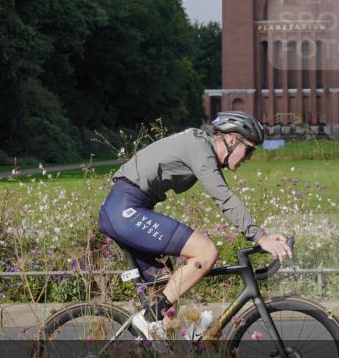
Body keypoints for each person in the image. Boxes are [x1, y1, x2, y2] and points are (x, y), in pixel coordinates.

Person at [97, 111, 292, 341]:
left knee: (168, 295)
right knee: (206, 252)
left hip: (127, 209)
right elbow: (223, 197)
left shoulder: (201, 147)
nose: (249, 157)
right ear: (231, 140)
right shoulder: (199, 148)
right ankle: (148, 320)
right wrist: (261, 237)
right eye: (249, 149)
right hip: (125, 209)